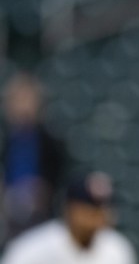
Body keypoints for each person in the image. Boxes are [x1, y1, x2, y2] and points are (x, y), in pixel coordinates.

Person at [0, 171, 136, 264]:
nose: (98, 216)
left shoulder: (117, 249)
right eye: (90, 209)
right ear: (69, 209)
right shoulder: (33, 248)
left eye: (102, 209)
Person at [1, 72, 68, 243]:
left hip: (43, 220)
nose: (23, 106)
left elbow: (60, 183)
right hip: (8, 220)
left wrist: (44, 192)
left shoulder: (52, 143)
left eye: (27, 100)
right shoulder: (6, 142)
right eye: (18, 100)